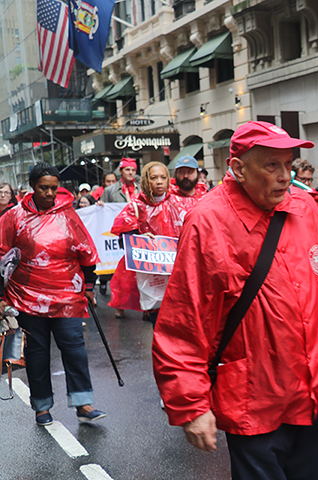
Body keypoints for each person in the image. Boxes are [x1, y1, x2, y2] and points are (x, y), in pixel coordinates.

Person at [152, 121, 318, 480]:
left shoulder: (305, 208)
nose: (285, 176)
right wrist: (191, 405)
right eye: (271, 166)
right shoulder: (208, 222)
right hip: (256, 396)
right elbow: (184, 322)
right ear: (238, 169)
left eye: (289, 165)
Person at [0, 162, 106, 426]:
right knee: (37, 353)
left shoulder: (68, 214)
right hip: (28, 297)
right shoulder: (13, 217)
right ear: (32, 187)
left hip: (66, 296)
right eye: (43, 188)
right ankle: (42, 406)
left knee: (75, 349)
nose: (49, 193)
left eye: (53, 188)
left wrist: (89, 287)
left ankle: (83, 403)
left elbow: (86, 252)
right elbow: (1, 256)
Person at [109, 162, 184, 322]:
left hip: (177, 269)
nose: (159, 182)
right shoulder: (136, 205)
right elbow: (124, 240)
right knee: (158, 320)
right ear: (145, 180)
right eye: (154, 177)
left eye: (163, 177)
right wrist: (140, 239)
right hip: (152, 273)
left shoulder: (178, 202)